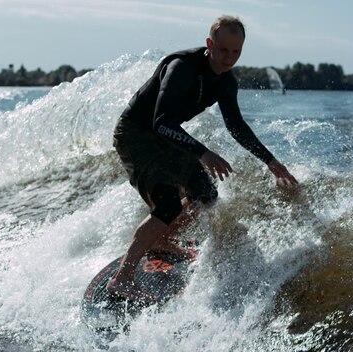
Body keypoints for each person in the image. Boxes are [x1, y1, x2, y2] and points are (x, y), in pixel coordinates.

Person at [108, 15, 299, 302]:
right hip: (136, 133)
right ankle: (121, 279)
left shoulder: (225, 82)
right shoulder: (181, 68)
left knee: (205, 194)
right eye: (223, 50)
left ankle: (160, 239)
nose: (229, 58)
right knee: (168, 203)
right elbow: (161, 121)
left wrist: (270, 161)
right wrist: (204, 153)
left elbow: (236, 126)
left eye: (236, 52)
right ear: (210, 44)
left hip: (165, 136)